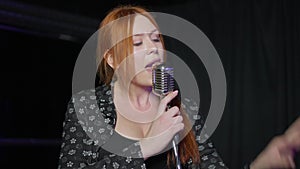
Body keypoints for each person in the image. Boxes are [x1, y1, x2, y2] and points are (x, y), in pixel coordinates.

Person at [58, 5, 300, 169]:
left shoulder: (183, 108)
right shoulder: (89, 106)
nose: (153, 48)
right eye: (137, 42)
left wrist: (261, 163)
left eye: (155, 39)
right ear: (112, 59)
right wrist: (144, 147)